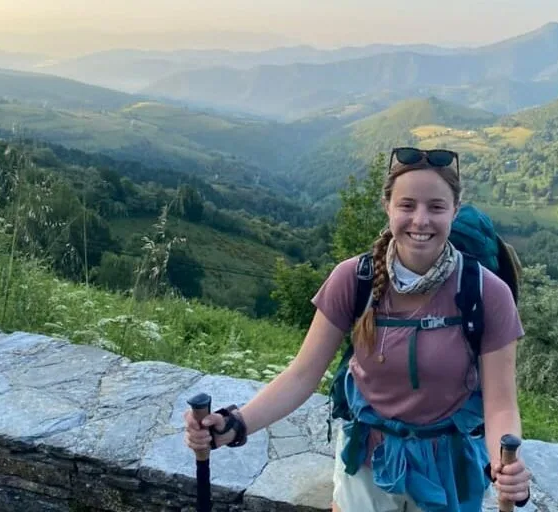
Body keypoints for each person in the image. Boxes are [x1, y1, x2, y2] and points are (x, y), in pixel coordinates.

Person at [184, 147, 531, 511]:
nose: (421, 220)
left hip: (449, 466)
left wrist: (504, 466)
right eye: (407, 205)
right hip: (367, 461)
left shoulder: (486, 292)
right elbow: (301, 376)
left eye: (436, 207)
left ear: (455, 211)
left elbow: (500, 404)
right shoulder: (354, 279)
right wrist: (235, 424)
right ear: (388, 207)